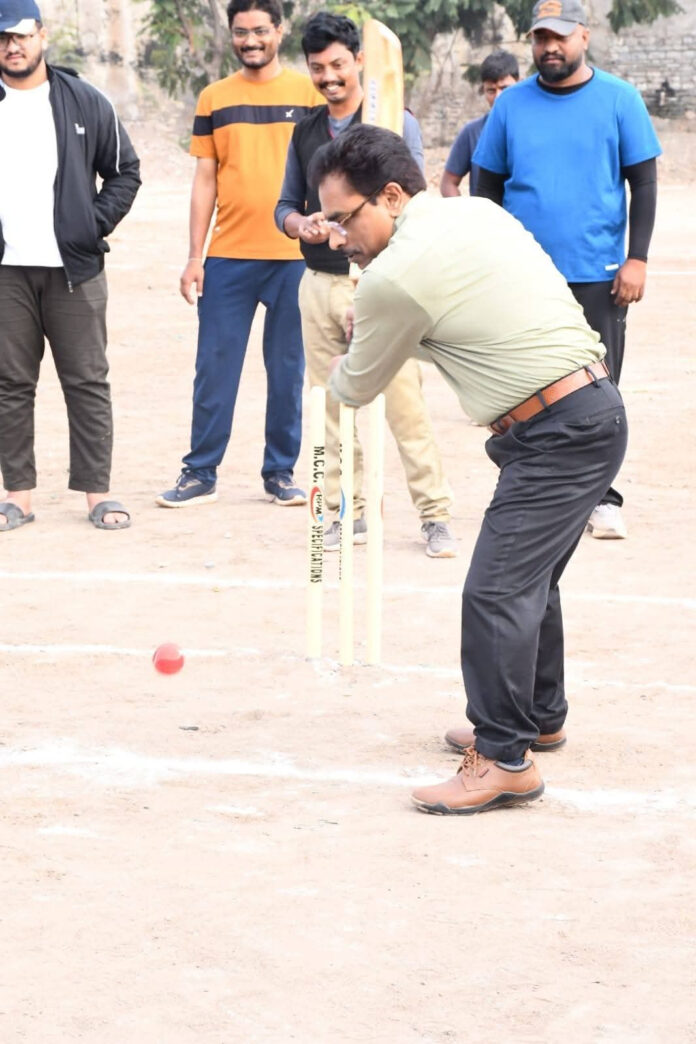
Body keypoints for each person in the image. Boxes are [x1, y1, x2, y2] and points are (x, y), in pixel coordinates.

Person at [310, 124, 627, 815]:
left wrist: (345, 363)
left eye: (344, 217)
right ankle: (538, 717)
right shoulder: (477, 212)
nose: (336, 236)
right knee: (530, 582)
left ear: (391, 196)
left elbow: (357, 385)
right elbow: (475, 320)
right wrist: (392, 335)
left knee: (495, 592)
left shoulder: (392, 277)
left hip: (557, 435)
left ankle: (504, 757)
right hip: (591, 411)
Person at [473, 0, 660, 540]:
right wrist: (488, 258)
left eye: (559, 36)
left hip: (599, 273)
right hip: (522, 275)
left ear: (584, 35)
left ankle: (601, 498)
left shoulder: (619, 99)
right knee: (524, 386)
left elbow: (644, 182)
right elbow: (485, 186)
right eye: (540, 37)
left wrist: (637, 258)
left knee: (599, 389)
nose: (549, 47)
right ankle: (528, 487)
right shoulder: (510, 106)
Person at [275, 12, 456, 557]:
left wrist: (372, 265)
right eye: (317, 67)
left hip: (381, 284)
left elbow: (412, 204)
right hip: (319, 284)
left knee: (403, 404)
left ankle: (435, 515)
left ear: (359, 60)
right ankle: (345, 512)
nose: (329, 77)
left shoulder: (394, 121)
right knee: (330, 406)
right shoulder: (306, 130)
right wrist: (303, 225)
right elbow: (285, 207)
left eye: (338, 64)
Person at [156, 0, 321, 509]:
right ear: (231, 34)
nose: (251, 41)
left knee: (287, 372)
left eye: (260, 31)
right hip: (228, 257)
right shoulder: (215, 97)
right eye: (241, 32)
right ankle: (200, 472)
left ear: (279, 31)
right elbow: (205, 179)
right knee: (215, 368)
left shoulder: (309, 94)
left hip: (295, 258)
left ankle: (280, 473)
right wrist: (194, 256)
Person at [0, 0, 140, 532]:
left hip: (73, 269)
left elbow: (125, 171)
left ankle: (97, 493)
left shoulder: (84, 100)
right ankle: (17, 496)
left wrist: (90, 224)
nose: (12, 46)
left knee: (86, 381)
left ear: (41, 34)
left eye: (20, 35)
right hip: (6, 270)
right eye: (2, 38)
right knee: (11, 384)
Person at [440, 50, 519, 198]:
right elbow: (448, 183)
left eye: (505, 88)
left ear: (520, 83)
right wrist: (467, 211)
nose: (498, 97)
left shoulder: (533, 128)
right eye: (491, 91)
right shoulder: (472, 132)